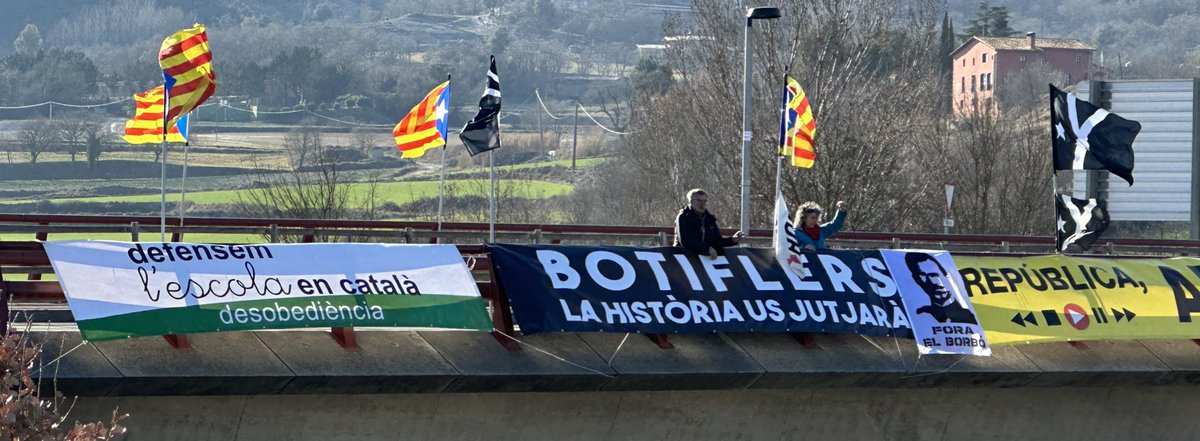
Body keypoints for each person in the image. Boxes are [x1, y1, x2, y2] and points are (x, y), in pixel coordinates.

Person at [906, 252, 978, 324]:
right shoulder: (920, 316)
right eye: (923, 276)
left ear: (945, 275)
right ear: (917, 280)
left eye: (935, 275)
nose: (932, 281)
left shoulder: (966, 315)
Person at [673, 189, 744, 259]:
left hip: (703, 258)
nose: (702, 204)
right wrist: (707, 248)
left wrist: (732, 240)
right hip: (683, 257)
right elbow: (685, 241)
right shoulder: (684, 217)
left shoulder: (709, 218)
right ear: (691, 201)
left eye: (705, 201)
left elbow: (716, 241)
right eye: (699, 200)